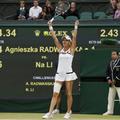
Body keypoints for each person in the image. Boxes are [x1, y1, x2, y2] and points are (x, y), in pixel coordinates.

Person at [42, 20, 79, 119]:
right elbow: (54, 37)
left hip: (68, 74)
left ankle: (68, 112)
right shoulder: (60, 48)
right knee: (55, 94)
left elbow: (75, 37)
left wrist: (75, 26)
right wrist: (50, 26)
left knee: (69, 93)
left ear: (69, 42)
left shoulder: (72, 50)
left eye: (66, 40)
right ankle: (50, 113)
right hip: (59, 74)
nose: (63, 41)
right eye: (63, 40)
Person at [103, 51, 120, 115]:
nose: (112, 55)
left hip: (118, 84)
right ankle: (110, 111)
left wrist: (115, 79)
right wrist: (109, 79)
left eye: (114, 54)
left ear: (118, 55)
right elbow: (107, 72)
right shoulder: (110, 63)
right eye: (112, 54)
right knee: (110, 98)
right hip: (111, 84)